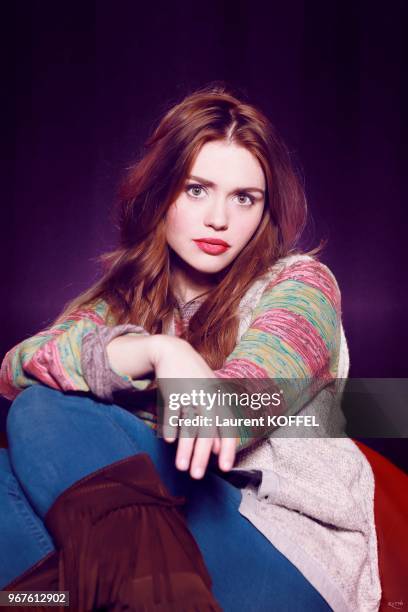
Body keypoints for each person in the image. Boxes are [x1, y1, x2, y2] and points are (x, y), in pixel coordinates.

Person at [0, 86, 381, 611]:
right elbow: (18, 368)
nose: (219, 219)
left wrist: (153, 387)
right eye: (197, 189)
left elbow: (250, 397)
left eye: (243, 197)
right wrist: (159, 351)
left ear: (265, 209)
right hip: (164, 552)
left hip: (284, 553)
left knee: (48, 409)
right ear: (160, 192)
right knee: (15, 457)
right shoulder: (121, 303)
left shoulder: (299, 282)